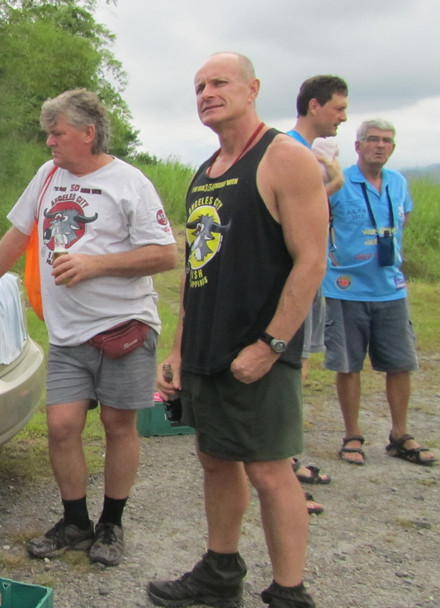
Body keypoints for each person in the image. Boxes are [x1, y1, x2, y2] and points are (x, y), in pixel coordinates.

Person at [0, 88, 177, 567]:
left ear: (88, 133)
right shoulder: (47, 176)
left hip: (123, 329)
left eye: (57, 133)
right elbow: (18, 235)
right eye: (48, 133)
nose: (49, 142)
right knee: (62, 427)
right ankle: (75, 522)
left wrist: (94, 265)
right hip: (67, 333)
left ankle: (112, 524)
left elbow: (165, 255)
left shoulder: (129, 182)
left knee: (118, 425)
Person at [148, 53, 327, 608]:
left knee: (270, 471)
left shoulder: (284, 158)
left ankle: (290, 593)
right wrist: (179, 349)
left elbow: (312, 261)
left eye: (220, 82)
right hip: (208, 348)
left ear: (253, 89)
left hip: (258, 348)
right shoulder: (206, 171)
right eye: (199, 85)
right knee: (215, 459)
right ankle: (220, 574)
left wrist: (271, 345)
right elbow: (196, 267)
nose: (207, 92)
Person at [325, 119, 435, 467]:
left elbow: (403, 220)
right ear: (358, 146)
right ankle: (352, 435)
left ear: (393, 147)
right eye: (373, 139)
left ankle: (400, 434)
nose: (380, 145)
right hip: (345, 288)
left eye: (387, 140)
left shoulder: (397, 182)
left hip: (390, 288)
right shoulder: (339, 181)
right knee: (348, 365)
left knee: (401, 364)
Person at [285, 75, 349, 506]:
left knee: (300, 366)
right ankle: (282, 464)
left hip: (315, 277)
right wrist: (334, 185)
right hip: (297, 279)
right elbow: (293, 217)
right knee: (292, 368)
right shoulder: (293, 152)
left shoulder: (308, 151)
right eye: (338, 108)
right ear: (314, 106)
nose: (342, 117)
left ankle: (286, 457)